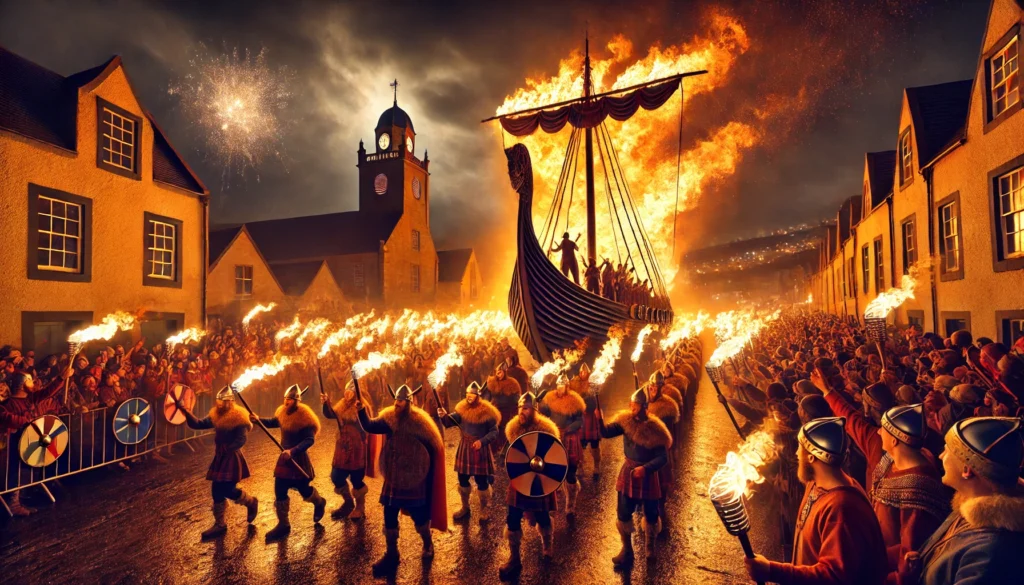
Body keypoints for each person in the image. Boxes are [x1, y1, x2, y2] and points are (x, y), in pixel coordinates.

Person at [824, 385, 949, 583]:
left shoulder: (917, 488)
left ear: (896, 440)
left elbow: (911, 551)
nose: (879, 432)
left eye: (884, 429)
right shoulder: (892, 459)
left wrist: (874, 562)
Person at [744, 417, 888, 585]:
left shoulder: (842, 508)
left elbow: (834, 577)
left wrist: (771, 570)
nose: (797, 454)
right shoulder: (815, 483)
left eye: (800, 448)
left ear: (812, 457)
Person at [907, 417, 1024, 585]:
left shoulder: (991, 552)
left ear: (966, 469)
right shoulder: (969, 504)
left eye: (947, 450)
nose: (940, 456)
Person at [357, 384, 447, 577]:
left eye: (400, 401)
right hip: (394, 475)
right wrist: (360, 411)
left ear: (409, 402)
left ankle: (427, 543)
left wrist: (440, 420)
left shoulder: (421, 422)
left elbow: (434, 446)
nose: (396, 404)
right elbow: (370, 426)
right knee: (389, 514)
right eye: (396, 400)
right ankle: (392, 554)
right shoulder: (390, 418)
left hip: (414, 477)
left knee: (419, 517)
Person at [597, 388, 671, 567]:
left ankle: (650, 548)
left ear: (645, 407)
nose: (632, 409)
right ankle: (627, 551)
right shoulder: (625, 421)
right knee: (623, 513)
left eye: (636, 406)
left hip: (647, 475)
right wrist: (599, 419)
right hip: (628, 471)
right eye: (631, 405)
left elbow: (663, 458)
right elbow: (606, 433)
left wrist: (645, 469)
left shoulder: (655, 429)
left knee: (652, 514)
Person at [178, 386, 258, 539]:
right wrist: (185, 410)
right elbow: (198, 424)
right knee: (216, 489)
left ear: (231, 402)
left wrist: (228, 449)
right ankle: (220, 524)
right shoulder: (217, 415)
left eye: (225, 402)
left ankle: (251, 502)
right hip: (221, 455)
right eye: (220, 402)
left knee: (228, 489)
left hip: (231, 456)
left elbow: (241, 439)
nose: (222, 405)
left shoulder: (239, 417)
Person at [251, 384, 326, 542]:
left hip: (297, 457)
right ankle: (283, 524)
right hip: (284, 458)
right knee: (280, 489)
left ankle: (319, 502)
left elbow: (309, 440)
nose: (286, 402)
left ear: (297, 401)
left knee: (304, 490)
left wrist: (293, 451)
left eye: (290, 400)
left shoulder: (304, 417)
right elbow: (273, 422)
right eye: (285, 399)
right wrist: (258, 420)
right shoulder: (282, 412)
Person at [499, 392, 560, 581]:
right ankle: (515, 558)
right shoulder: (513, 429)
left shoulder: (546, 430)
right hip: (518, 480)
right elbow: (506, 453)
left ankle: (547, 544)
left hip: (538, 480)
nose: (521, 412)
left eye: (525, 408)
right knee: (513, 518)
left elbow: (554, 457)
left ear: (534, 410)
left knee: (542, 516)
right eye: (519, 408)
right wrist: (506, 459)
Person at [438, 381, 500, 523]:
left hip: (480, 450)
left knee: (481, 482)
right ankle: (465, 507)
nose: (469, 396)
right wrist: (443, 416)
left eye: (472, 394)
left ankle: (484, 509)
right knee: (462, 479)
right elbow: (449, 422)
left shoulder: (487, 412)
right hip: (465, 448)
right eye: (467, 394)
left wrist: (482, 442)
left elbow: (494, 431)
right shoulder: (462, 409)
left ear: (478, 395)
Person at [321, 380, 378, 521]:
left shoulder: (363, 406)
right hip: (342, 447)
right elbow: (330, 414)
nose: (347, 393)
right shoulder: (341, 405)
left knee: (356, 478)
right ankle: (348, 502)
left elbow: (368, 424)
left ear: (356, 393)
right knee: (336, 476)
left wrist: (361, 410)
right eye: (346, 390)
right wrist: (325, 403)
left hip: (357, 448)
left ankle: (360, 507)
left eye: (350, 391)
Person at [538, 374, 584, 518]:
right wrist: (538, 402)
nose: (559, 389)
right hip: (555, 437)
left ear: (567, 387)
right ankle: (552, 504)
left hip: (569, 438)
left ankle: (571, 505)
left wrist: (570, 429)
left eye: (562, 387)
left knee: (570, 473)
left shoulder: (574, 401)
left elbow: (579, 420)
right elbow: (544, 413)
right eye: (557, 387)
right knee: (552, 471)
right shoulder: (550, 399)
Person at [486, 362, 522, 458]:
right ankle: (493, 453)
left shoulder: (512, 383)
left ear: (505, 372)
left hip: (507, 412)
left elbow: (516, 399)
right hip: (494, 411)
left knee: (504, 432)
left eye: (501, 372)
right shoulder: (491, 382)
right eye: (497, 372)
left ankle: (504, 453)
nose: (499, 374)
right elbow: (487, 397)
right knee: (493, 431)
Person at [573, 364, 603, 480]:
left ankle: (596, 466)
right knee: (580, 444)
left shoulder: (593, 383)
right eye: (581, 372)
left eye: (585, 372)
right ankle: (580, 467)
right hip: (581, 416)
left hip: (592, 416)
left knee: (594, 443)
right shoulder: (574, 384)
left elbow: (597, 397)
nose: (583, 374)